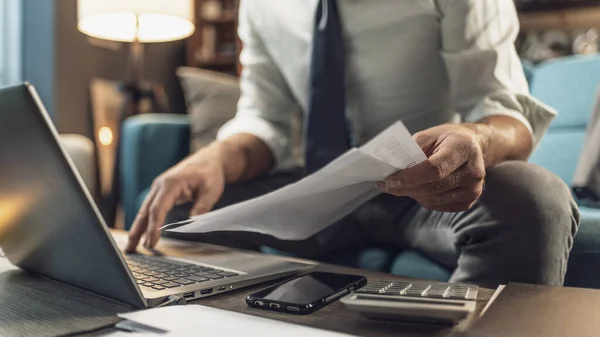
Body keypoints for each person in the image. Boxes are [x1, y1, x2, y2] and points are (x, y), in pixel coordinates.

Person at [126, 0, 580, 288]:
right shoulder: (260, 6)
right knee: (174, 209)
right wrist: (217, 158)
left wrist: (474, 137)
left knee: (534, 201)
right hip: (317, 185)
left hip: (422, 189)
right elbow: (267, 122)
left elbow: (504, 111)